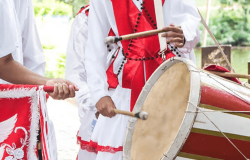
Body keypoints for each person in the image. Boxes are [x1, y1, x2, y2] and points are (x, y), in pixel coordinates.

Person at [85, 0, 201, 159]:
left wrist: (185, 35)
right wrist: (99, 93)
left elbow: (191, 23)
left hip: (175, 81)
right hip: (128, 89)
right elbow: (94, 45)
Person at [65, 4, 120, 159]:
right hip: (100, 110)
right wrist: (95, 102)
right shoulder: (86, 18)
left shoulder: (146, 13)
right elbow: (76, 74)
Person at [0, 0, 77, 99]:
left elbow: (31, 55)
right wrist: (45, 83)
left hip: (18, 99)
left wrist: (43, 89)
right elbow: (3, 64)